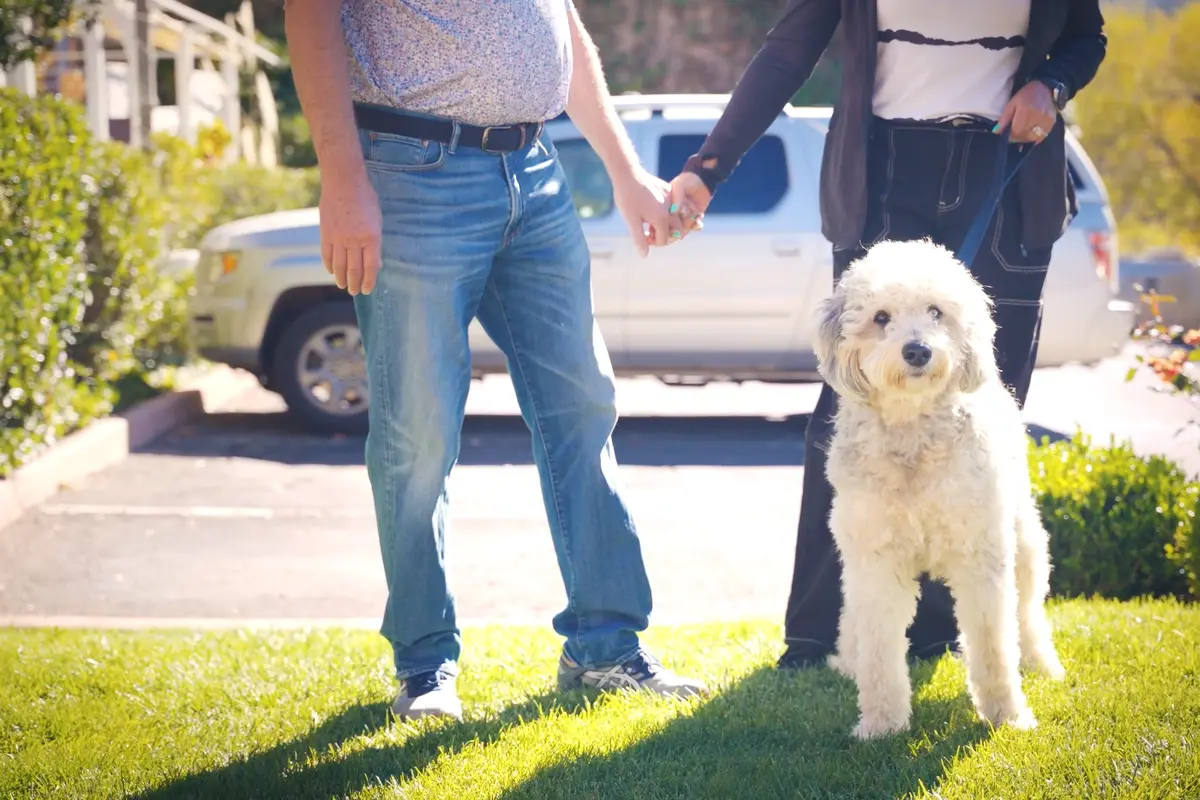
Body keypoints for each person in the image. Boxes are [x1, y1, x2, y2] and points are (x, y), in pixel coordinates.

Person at [284, 0, 705, 721]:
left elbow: (562, 28)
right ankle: (424, 665)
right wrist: (342, 178)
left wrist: (626, 169)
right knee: (418, 435)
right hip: (411, 170)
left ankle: (605, 647)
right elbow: (309, 15)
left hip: (535, 172)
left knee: (583, 406)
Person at [669, 0, 1107, 668]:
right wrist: (709, 167)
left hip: (1008, 168)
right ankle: (817, 636)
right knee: (853, 405)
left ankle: (943, 635)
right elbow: (789, 49)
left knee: (983, 413)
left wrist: (1052, 85)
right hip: (882, 168)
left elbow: (1086, 38)